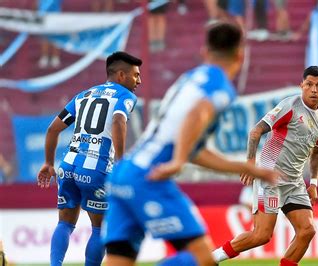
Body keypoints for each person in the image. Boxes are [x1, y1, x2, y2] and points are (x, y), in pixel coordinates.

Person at [101, 23, 278, 266]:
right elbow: (197, 114)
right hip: (149, 178)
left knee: (119, 261)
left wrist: (247, 168)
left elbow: (194, 150)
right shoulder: (220, 87)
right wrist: (178, 161)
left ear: (205, 52)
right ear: (241, 55)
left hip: (124, 173)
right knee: (202, 259)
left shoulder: (189, 79)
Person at [212, 66, 318, 266]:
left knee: (307, 230)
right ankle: (212, 258)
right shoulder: (290, 106)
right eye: (309, 84)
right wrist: (250, 164)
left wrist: (314, 182)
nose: (313, 90)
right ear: (301, 85)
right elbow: (255, 131)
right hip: (271, 178)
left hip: (294, 183)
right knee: (262, 235)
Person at [36, 51, 142, 266]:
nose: (139, 81)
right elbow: (119, 121)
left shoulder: (84, 95)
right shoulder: (125, 96)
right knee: (99, 228)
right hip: (96, 170)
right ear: (121, 75)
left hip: (68, 166)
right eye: (136, 75)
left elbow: (52, 129)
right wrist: (121, 163)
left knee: (64, 223)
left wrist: (48, 163)